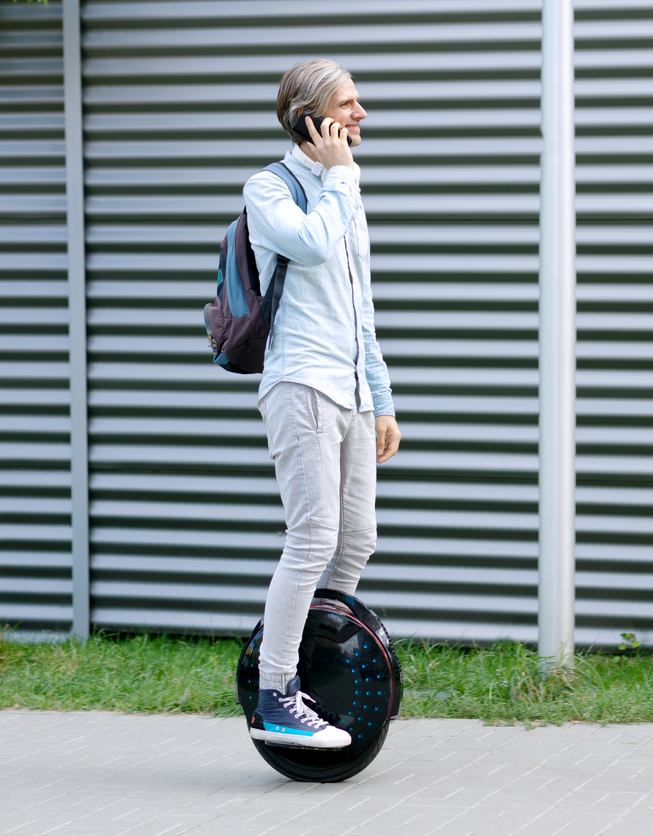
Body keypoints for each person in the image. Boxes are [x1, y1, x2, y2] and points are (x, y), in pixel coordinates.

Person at [243, 59, 400, 749]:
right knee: (312, 538)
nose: (362, 114)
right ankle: (277, 695)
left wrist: (383, 399)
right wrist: (340, 179)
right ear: (312, 117)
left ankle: (320, 662)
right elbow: (309, 247)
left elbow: (359, 307)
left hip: (351, 392)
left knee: (356, 536)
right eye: (348, 103)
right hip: (301, 385)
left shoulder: (345, 193)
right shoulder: (269, 189)